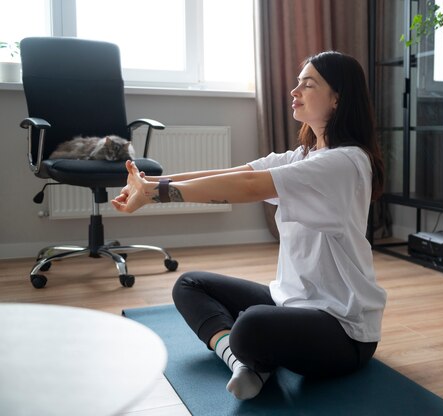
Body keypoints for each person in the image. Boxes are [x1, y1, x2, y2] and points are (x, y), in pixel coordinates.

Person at [111, 50, 387, 400]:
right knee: (189, 285)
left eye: (308, 84)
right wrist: (151, 184)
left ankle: (247, 355)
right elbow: (237, 174)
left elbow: (248, 188)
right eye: (298, 82)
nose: (295, 91)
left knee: (251, 325)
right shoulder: (302, 156)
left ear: (337, 98)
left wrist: (157, 193)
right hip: (291, 303)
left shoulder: (345, 162)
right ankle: (243, 363)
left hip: (344, 330)